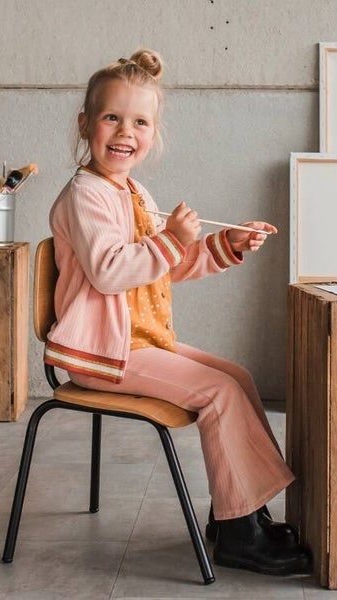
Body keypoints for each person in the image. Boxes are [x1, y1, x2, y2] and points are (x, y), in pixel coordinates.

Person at [44, 48, 311, 576]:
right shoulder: (86, 195)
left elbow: (164, 266)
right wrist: (168, 239)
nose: (125, 132)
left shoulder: (135, 192)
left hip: (139, 343)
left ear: (154, 133)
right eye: (112, 117)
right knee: (219, 392)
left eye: (140, 122)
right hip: (102, 352)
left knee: (238, 378)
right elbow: (110, 271)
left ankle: (239, 513)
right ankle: (239, 535)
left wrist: (224, 244)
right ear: (85, 124)